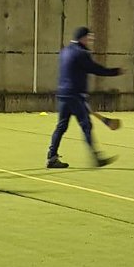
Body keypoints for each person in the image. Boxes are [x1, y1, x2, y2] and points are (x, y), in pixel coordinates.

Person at [46, 27, 124, 169]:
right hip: (75, 95)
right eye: (89, 37)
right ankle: (96, 157)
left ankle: (52, 157)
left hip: (63, 94)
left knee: (61, 126)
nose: (90, 40)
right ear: (82, 37)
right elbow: (95, 69)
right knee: (86, 125)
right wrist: (114, 72)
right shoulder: (81, 53)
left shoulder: (65, 51)